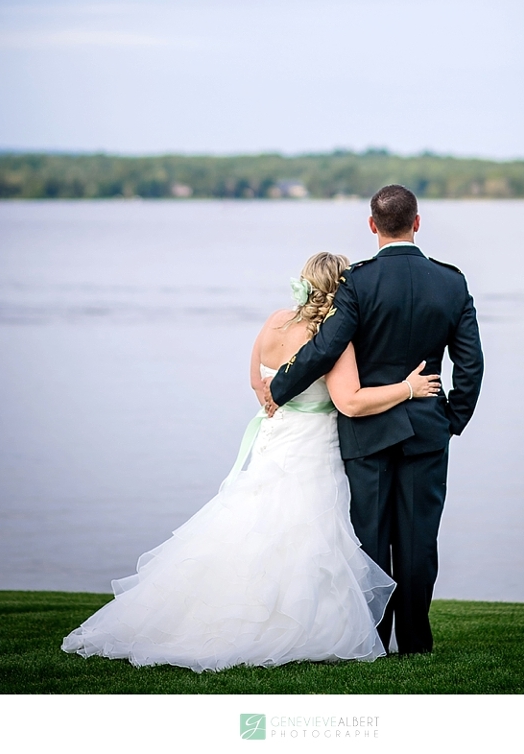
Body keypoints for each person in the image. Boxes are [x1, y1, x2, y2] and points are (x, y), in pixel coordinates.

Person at [61, 251, 440, 672]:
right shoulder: (331, 339)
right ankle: (303, 627)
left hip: (273, 442)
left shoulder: (275, 321)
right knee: (307, 532)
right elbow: (349, 403)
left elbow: (257, 382)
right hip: (312, 445)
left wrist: (274, 403)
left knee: (258, 522)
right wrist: (408, 388)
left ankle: (232, 614)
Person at [267, 184, 484, 656]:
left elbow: (326, 348)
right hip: (427, 429)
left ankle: (373, 640)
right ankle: (416, 644)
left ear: (372, 225)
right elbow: (470, 364)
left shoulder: (358, 282)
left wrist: (278, 389)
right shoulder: (451, 282)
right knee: (419, 543)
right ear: (417, 222)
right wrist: (452, 418)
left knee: (370, 540)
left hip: (366, 432)